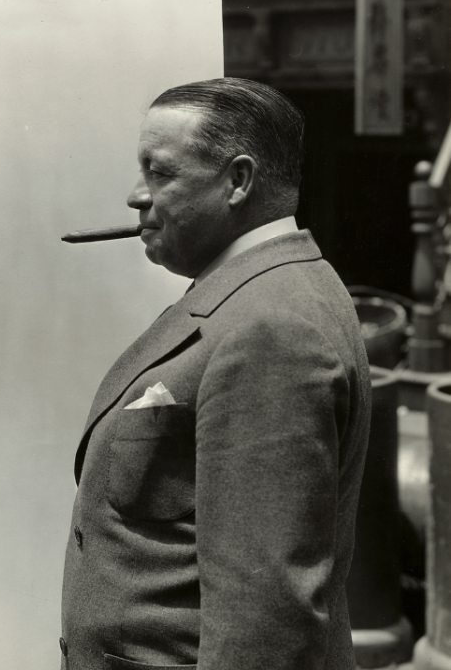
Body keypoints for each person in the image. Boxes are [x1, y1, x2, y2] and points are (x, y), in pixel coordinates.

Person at [60, 77, 370, 670]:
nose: (135, 195)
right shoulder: (258, 295)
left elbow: (267, 622)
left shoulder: (270, 326)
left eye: (160, 173)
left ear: (238, 181)